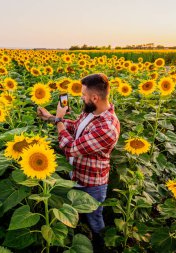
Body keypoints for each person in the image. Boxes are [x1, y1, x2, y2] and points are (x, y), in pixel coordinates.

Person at [37, 73, 120, 249]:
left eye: (83, 95)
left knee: (94, 220)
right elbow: (76, 128)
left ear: (95, 97)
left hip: (92, 184)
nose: (81, 97)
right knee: (76, 215)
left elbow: (71, 147)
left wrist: (59, 120)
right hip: (75, 175)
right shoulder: (91, 112)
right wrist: (51, 117)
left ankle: (100, 247)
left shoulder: (107, 127)